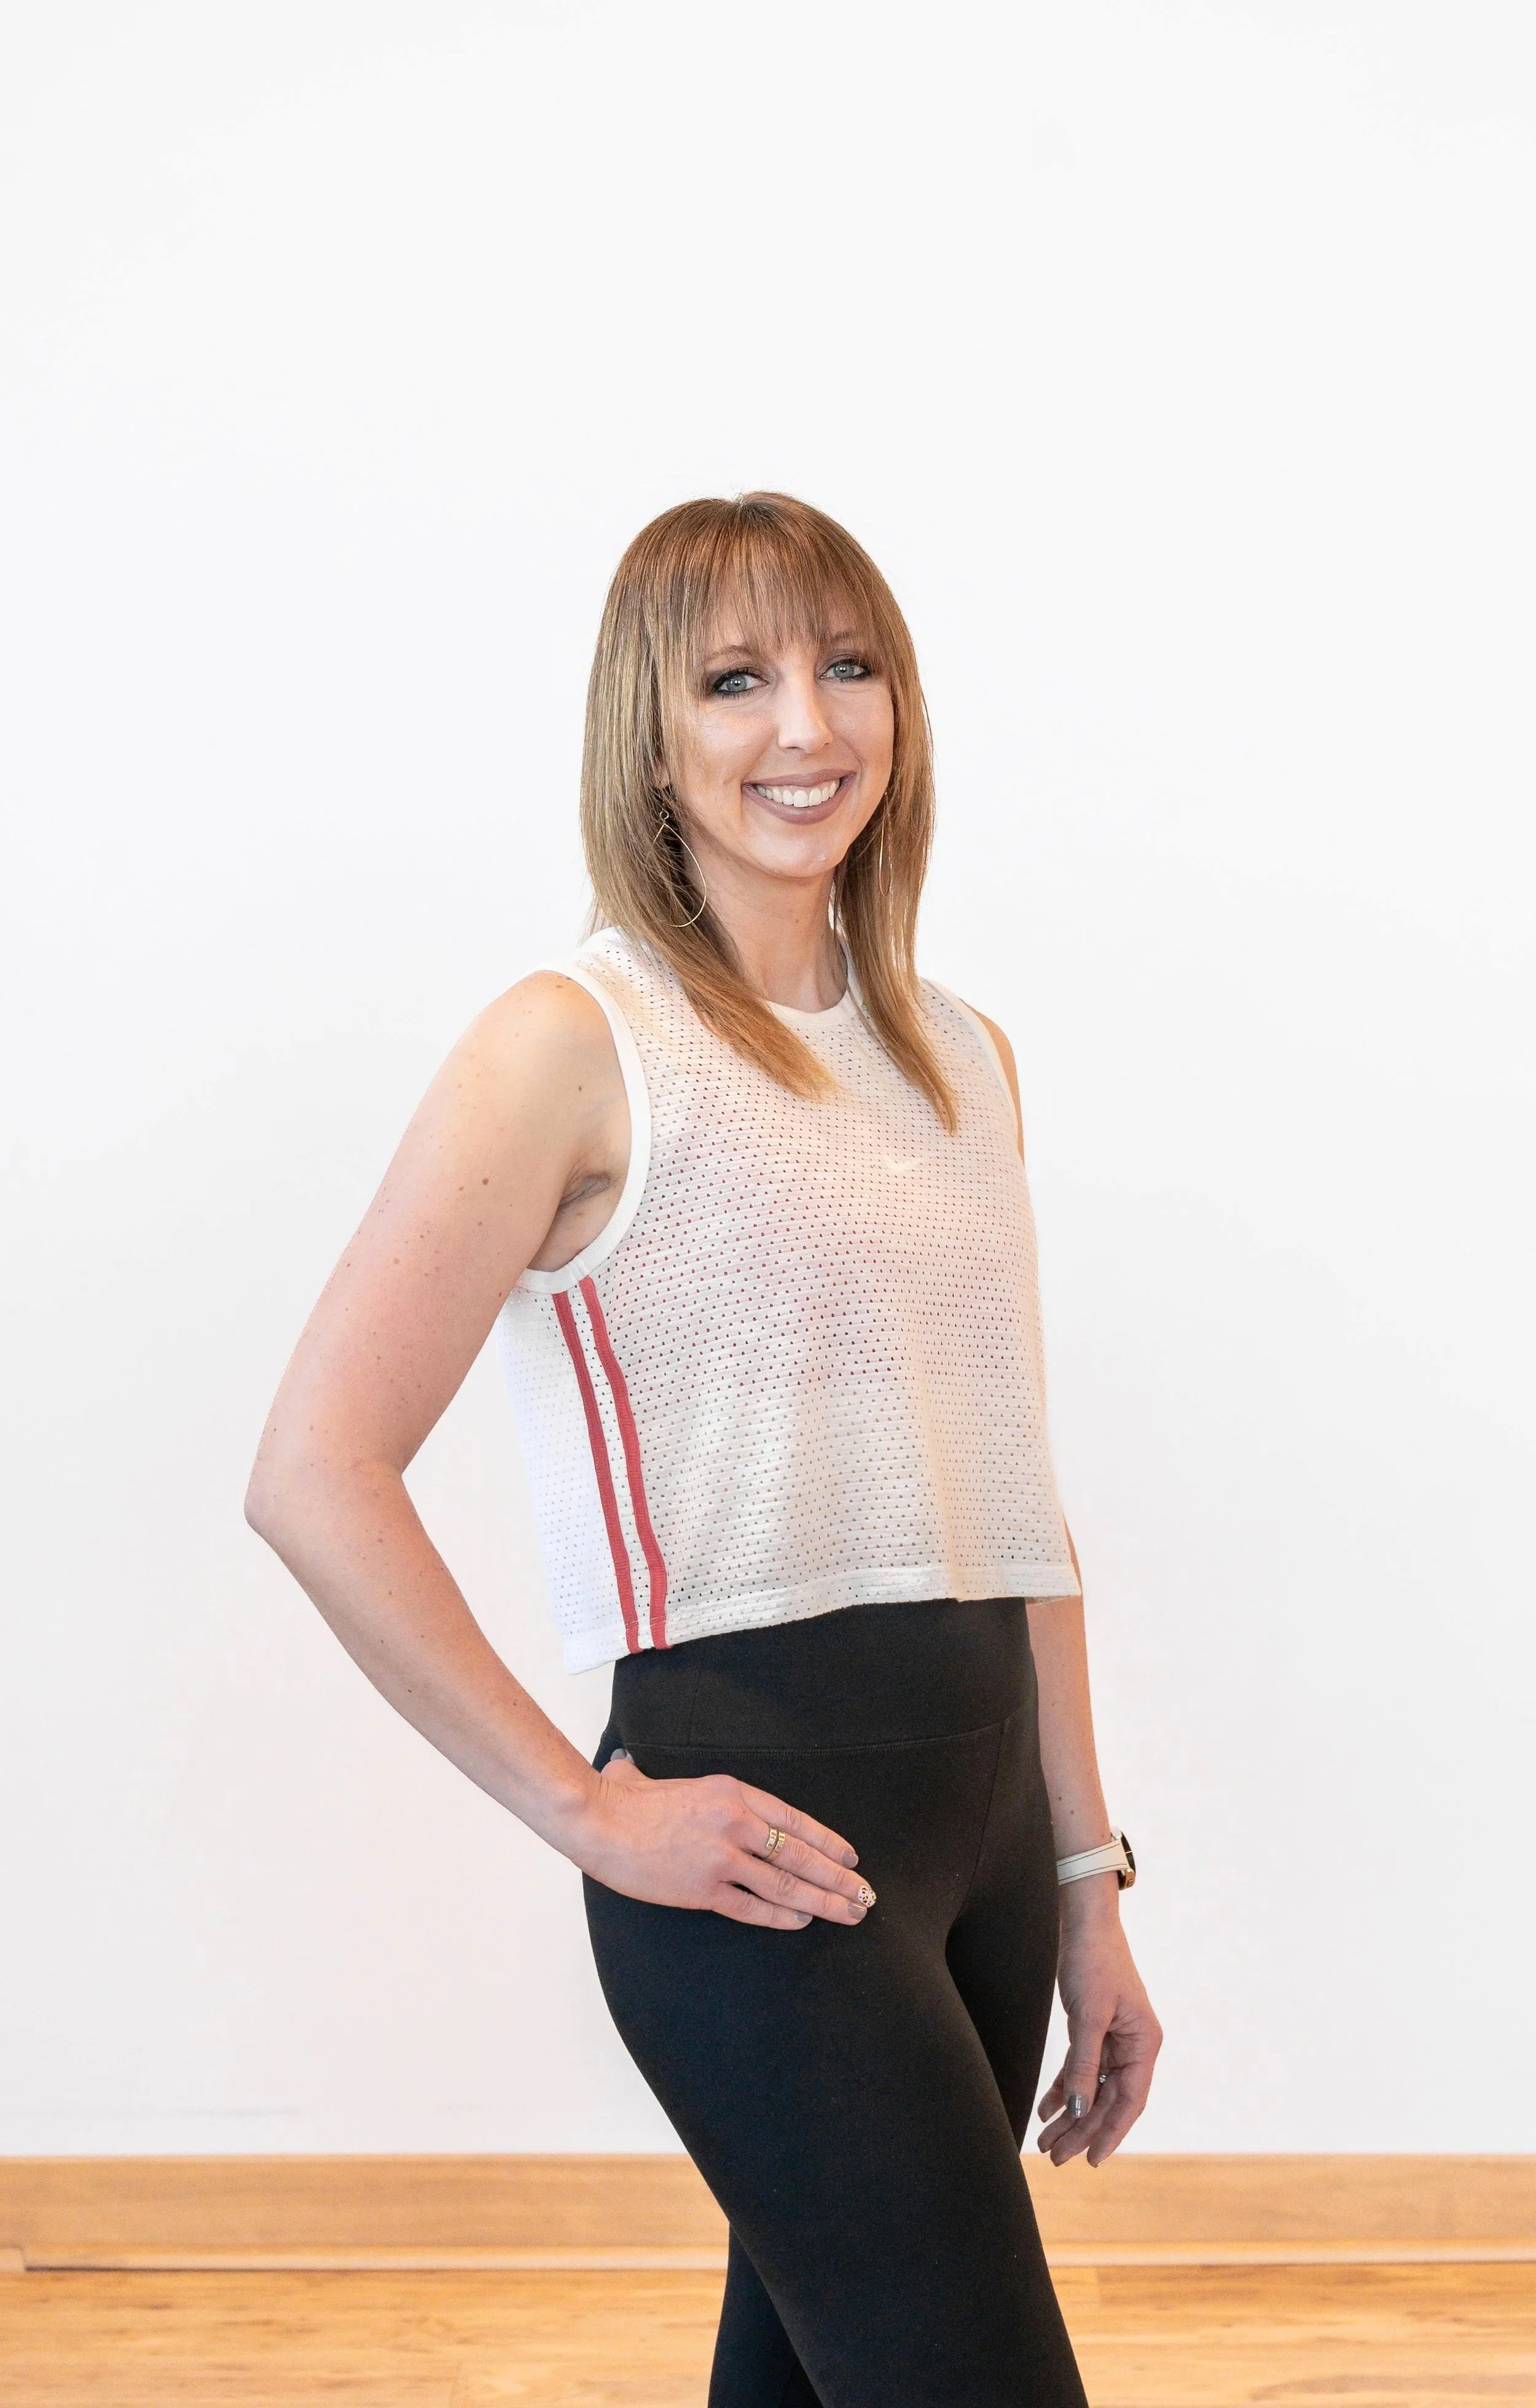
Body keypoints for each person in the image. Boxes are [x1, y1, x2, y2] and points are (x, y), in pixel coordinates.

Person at [246, 491, 1161, 2406]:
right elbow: (314, 1467)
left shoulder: (959, 1055)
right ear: (646, 739)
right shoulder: (571, 1042)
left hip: (983, 1843)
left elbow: (1016, 1504)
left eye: (847, 668)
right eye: (733, 681)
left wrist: (1080, 1878)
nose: (802, 728)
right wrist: (585, 1812)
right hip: (757, 1857)